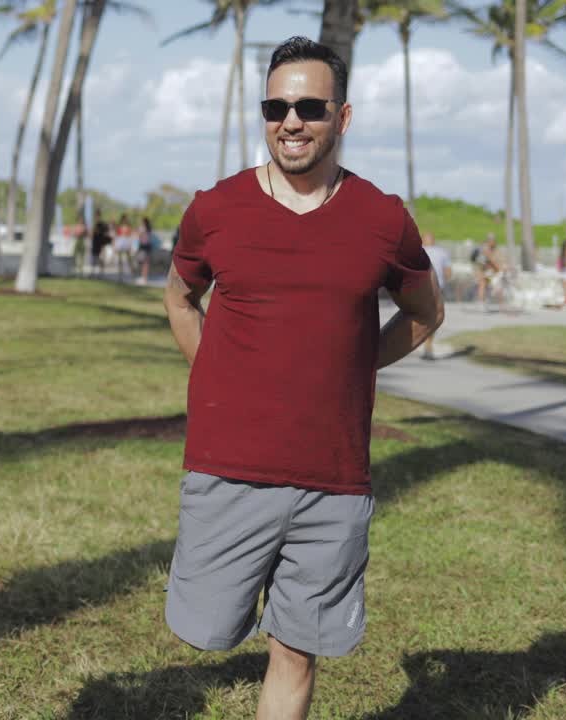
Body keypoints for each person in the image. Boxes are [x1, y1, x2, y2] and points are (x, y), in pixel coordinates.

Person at [163, 37, 443, 720]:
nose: (291, 121)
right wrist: (223, 374)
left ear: (341, 117)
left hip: (333, 480)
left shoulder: (383, 219)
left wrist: (348, 368)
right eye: (276, 106)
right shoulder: (215, 208)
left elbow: (426, 312)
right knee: (204, 633)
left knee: (295, 652)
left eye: (310, 107)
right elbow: (178, 297)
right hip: (227, 472)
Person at [421, 232, 451, 358]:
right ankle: (428, 344)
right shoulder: (442, 252)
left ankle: (425, 343)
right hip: (437, 287)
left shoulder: (418, 250)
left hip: (421, 288)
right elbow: (448, 272)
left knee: (423, 316)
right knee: (434, 317)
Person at [471, 233, 501, 303]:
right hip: (482, 270)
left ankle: (488, 298)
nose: (494, 242)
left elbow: (496, 259)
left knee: (490, 281)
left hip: (487, 269)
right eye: (492, 240)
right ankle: (481, 300)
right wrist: (497, 267)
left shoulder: (492, 248)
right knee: (483, 282)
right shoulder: (485, 248)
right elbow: (489, 260)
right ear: (489, 240)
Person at [113, 213, 134, 280]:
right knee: (120, 259)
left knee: (128, 258)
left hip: (126, 242)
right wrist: (115, 244)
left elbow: (130, 235)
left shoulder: (128, 226)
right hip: (120, 242)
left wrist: (130, 244)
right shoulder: (119, 227)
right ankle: (120, 273)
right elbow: (116, 235)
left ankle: (132, 272)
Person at [136, 216, 155, 285]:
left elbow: (140, 236)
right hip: (147, 246)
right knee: (145, 263)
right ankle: (143, 277)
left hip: (144, 246)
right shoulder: (149, 229)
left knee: (145, 263)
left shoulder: (143, 228)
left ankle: (144, 278)